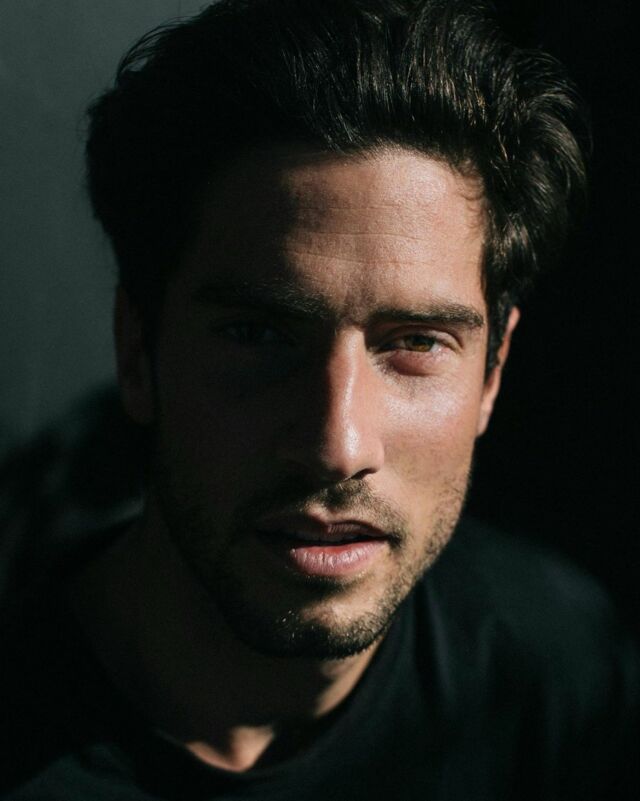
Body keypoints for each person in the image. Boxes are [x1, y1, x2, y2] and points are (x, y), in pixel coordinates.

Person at [1, 1, 638, 798]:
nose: (338, 445)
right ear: (138, 351)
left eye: (415, 343)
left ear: (492, 372)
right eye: (259, 335)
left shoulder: (558, 671)